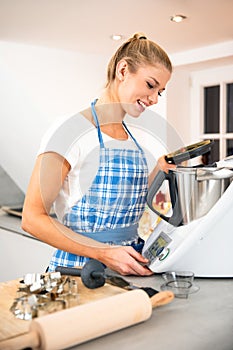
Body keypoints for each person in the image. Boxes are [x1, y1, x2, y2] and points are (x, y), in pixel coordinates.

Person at [22, 32, 175, 276]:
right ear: (123, 70)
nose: (155, 99)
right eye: (150, 85)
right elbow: (32, 218)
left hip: (130, 267)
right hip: (79, 271)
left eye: (160, 91)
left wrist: (161, 170)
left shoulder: (135, 137)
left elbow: (127, 207)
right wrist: (103, 253)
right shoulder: (70, 131)